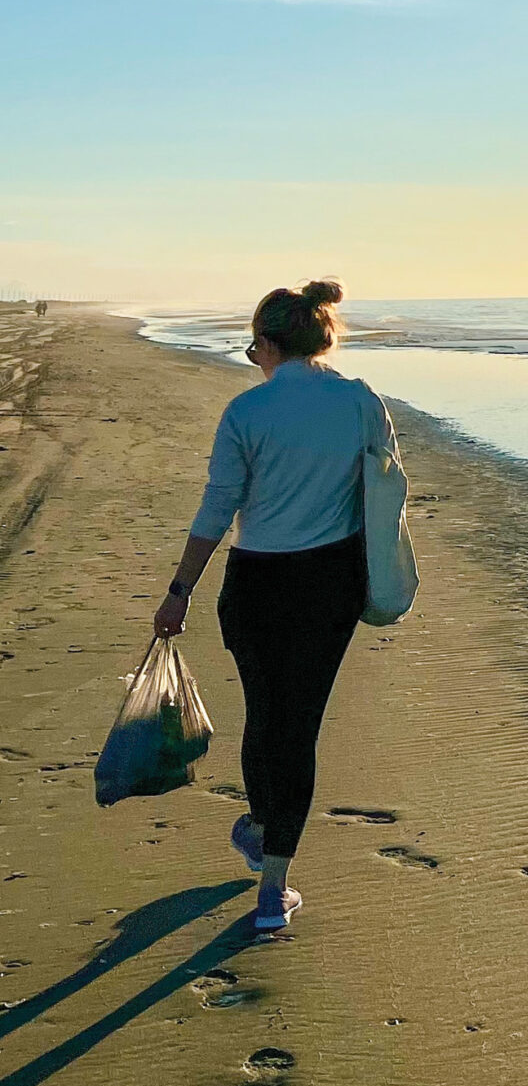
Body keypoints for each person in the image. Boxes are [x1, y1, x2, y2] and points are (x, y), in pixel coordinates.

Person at [153, 279, 400, 935]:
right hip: (329, 585)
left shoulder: (247, 411)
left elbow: (218, 506)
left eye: (252, 348)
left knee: (266, 717)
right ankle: (273, 886)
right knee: (298, 727)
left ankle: (264, 829)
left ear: (266, 343)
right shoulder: (361, 401)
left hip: (255, 584)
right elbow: (383, 489)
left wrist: (179, 591)